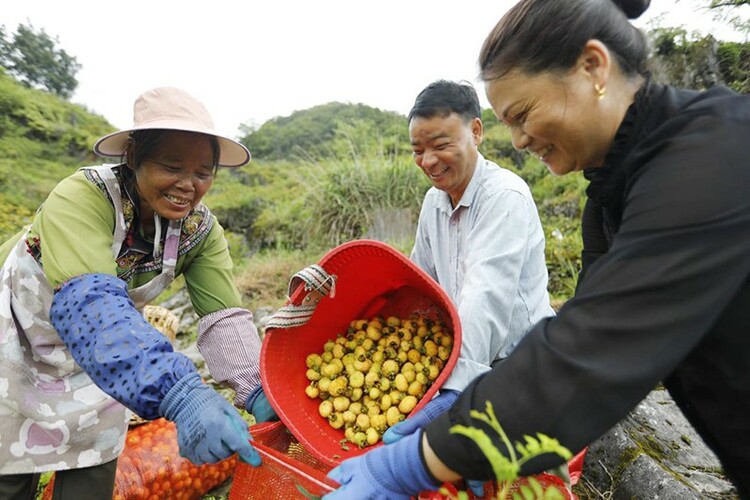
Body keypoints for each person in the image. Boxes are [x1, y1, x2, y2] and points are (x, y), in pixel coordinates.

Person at [323, 0, 750, 498]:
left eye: (523, 114)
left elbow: (588, 353)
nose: (520, 140)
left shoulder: (706, 158)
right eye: (509, 121)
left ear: (593, 67)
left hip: (505, 360)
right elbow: (587, 336)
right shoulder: (610, 200)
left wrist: (423, 455)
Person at [0, 87, 275, 500]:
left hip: (103, 361)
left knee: (91, 477)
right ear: (132, 157)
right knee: (8, 474)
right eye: (171, 166)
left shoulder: (200, 231)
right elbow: (91, 306)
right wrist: (180, 393)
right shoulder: (83, 198)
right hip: (17, 344)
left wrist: (257, 387)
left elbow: (224, 317)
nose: (188, 185)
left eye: (204, 173)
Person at [379, 80, 557, 492]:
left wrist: (452, 393)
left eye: (440, 144)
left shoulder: (504, 196)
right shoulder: (433, 204)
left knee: (491, 473)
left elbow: (485, 296)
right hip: (459, 359)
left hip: (518, 366)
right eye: (417, 150)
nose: (428, 160)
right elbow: (422, 288)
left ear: (476, 131)